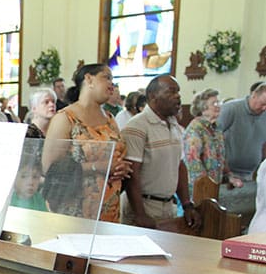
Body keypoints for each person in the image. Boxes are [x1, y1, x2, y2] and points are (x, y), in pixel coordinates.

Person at [43, 64, 132, 222]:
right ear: (89, 79)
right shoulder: (65, 118)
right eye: (107, 77)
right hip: (76, 210)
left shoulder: (110, 119)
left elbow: (117, 154)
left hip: (108, 209)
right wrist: (99, 167)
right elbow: (50, 169)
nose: (112, 84)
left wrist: (122, 168)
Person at [121, 74, 200, 229]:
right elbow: (132, 175)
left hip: (168, 206)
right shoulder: (137, 127)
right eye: (171, 92)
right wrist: (140, 214)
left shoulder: (174, 124)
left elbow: (179, 165)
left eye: (178, 92)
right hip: (144, 205)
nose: (178, 97)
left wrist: (187, 204)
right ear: (152, 96)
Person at [215, 82, 266, 219]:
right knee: (226, 218)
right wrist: (226, 171)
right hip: (227, 176)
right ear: (254, 95)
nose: (264, 108)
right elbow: (214, 138)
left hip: (250, 176)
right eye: (262, 103)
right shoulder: (231, 109)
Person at [183, 88, 242, 198]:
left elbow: (221, 157)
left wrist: (229, 176)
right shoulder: (195, 129)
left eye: (218, 102)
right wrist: (207, 187)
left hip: (214, 188)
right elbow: (193, 164)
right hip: (199, 189)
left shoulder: (217, 128)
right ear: (202, 108)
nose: (218, 106)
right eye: (214, 103)